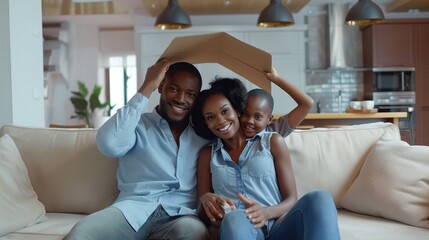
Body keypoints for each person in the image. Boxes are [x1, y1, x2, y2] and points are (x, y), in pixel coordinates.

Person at [64, 59, 211, 240]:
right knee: (81, 234)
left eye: (190, 94)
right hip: (132, 211)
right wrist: (147, 85)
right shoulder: (136, 125)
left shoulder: (204, 135)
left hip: (180, 217)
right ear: (161, 87)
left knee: (195, 232)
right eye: (173, 89)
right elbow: (109, 145)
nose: (181, 99)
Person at [193, 77, 340, 240]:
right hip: (238, 229)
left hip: (278, 227)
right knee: (236, 218)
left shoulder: (272, 141)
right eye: (210, 117)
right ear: (205, 123)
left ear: (237, 110)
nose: (220, 120)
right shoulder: (208, 154)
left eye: (225, 111)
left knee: (320, 198)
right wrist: (204, 200)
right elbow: (201, 214)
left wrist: (266, 212)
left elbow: (291, 199)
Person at [241, 67, 314, 138]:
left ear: (269, 119)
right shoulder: (234, 130)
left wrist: (276, 78)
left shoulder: (272, 133)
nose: (250, 121)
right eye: (245, 114)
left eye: (257, 117)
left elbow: (307, 103)